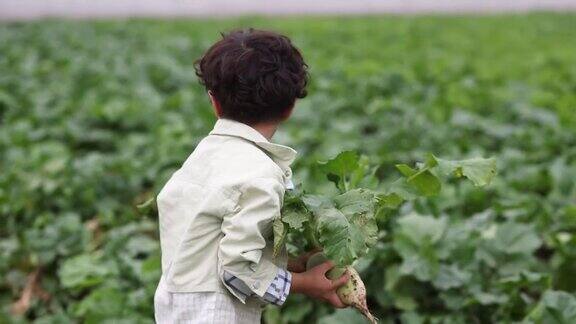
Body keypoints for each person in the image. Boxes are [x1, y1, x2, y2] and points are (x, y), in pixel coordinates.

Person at [153, 28, 350, 324]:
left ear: (214, 102)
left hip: (175, 308)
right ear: (290, 107)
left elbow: (216, 246)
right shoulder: (260, 175)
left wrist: (294, 265)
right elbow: (236, 271)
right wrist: (305, 284)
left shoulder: (202, 158)